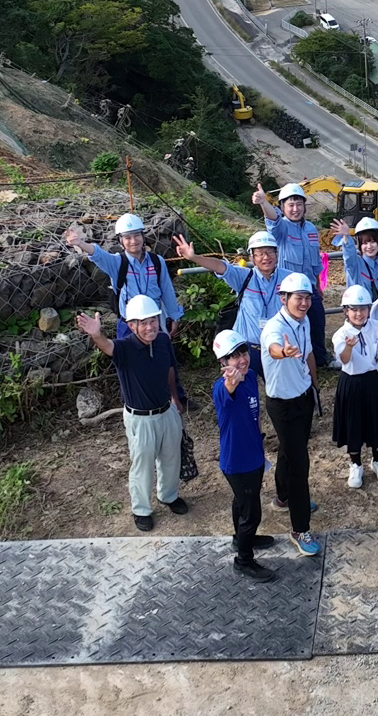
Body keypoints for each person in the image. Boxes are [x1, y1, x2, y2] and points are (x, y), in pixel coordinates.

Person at [76, 297, 188, 532]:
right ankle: (142, 509)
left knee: (171, 457)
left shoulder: (163, 340)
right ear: (131, 325)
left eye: (153, 321)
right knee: (142, 465)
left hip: (166, 410)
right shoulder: (125, 348)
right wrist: (96, 335)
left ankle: (168, 495)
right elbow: (107, 345)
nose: (150, 327)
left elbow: (169, 369)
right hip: (140, 418)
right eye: (143, 323)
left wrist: (175, 398)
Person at [259, 272, 322, 557]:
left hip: (303, 396)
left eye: (308, 297)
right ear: (284, 298)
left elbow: (308, 354)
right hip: (283, 404)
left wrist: (314, 385)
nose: (304, 303)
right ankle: (300, 528)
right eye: (299, 298)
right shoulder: (274, 328)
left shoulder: (303, 320)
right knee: (299, 465)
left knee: (290, 450)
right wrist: (283, 352)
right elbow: (274, 348)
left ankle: (283, 497)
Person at [174, 231, 295, 377]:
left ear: (277, 254)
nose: (265, 257)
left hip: (278, 345)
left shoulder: (290, 278)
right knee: (245, 386)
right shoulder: (244, 276)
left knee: (279, 385)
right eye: (259, 253)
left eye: (270, 252)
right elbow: (220, 266)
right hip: (248, 348)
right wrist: (194, 257)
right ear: (252, 257)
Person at [211, 329, 276, 582]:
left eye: (243, 352)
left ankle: (241, 539)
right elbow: (229, 388)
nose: (242, 360)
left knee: (242, 501)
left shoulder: (249, 378)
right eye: (234, 356)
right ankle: (244, 561)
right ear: (223, 362)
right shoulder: (224, 387)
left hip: (254, 454)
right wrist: (232, 380)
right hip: (238, 462)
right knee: (251, 513)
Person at [66, 213, 183, 338]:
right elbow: (98, 255)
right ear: (121, 240)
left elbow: (167, 290)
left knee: (159, 350)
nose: (133, 241)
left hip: (154, 321)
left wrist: (174, 316)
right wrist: (80, 243)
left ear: (143, 236)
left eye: (137, 235)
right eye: (127, 237)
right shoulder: (117, 263)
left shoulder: (157, 261)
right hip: (129, 323)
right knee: (126, 350)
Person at [252, 183, 330, 368]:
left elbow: (316, 261)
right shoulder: (282, 228)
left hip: (310, 287)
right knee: (291, 324)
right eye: (290, 205)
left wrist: (318, 286)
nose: (295, 209)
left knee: (317, 322)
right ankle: (294, 359)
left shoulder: (311, 229)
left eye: (299, 204)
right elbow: (272, 219)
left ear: (304, 206)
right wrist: (264, 202)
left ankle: (320, 360)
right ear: (282, 207)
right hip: (289, 289)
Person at [332, 284, 378, 489]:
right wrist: (349, 346)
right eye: (354, 309)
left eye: (363, 309)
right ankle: (356, 464)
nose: (359, 314)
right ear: (346, 311)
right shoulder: (341, 334)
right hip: (352, 382)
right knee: (354, 423)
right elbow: (344, 359)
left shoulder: (376, 327)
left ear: (369, 309)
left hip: (374, 380)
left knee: (377, 421)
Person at [332, 216, 378, 312]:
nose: (369, 246)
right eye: (364, 243)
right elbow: (349, 255)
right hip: (360, 315)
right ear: (359, 245)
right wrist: (346, 236)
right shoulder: (355, 264)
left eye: (373, 241)